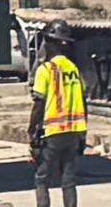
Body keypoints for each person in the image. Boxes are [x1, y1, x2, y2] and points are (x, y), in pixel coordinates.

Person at [29, 30, 88, 207]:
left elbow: (39, 103)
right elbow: (83, 102)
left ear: (50, 44)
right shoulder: (73, 68)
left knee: (42, 178)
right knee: (68, 178)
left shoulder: (45, 70)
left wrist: (32, 130)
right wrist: (83, 133)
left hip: (53, 130)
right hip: (74, 130)